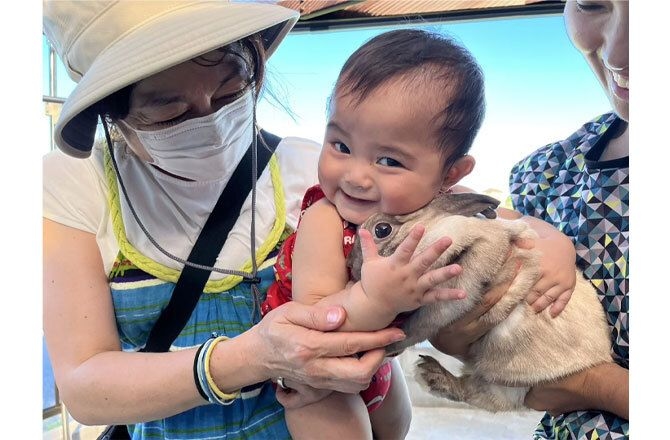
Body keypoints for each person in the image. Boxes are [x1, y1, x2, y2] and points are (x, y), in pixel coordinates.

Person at [41, 2, 440, 438]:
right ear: (110, 111)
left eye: (231, 88)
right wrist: (252, 357)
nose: (210, 119)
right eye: (169, 111)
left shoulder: (315, 171)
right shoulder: (75, 187)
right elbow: (84, 387)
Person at [260, 29, 580, 440]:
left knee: (396, 430)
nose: (355, 176)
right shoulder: (326, 218)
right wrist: (379, 298)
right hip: (321, 375)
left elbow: (516, 222)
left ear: (449, 175)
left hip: (380, 363)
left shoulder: (446, 202)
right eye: (340, 145)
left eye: (389, 160)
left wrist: (557, 245)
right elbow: (315, 322)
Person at [433, 1, 629, 439]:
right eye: (592, 2)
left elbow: (557, 383)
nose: (618, 53)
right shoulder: (545, 172)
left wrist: (595, 384)